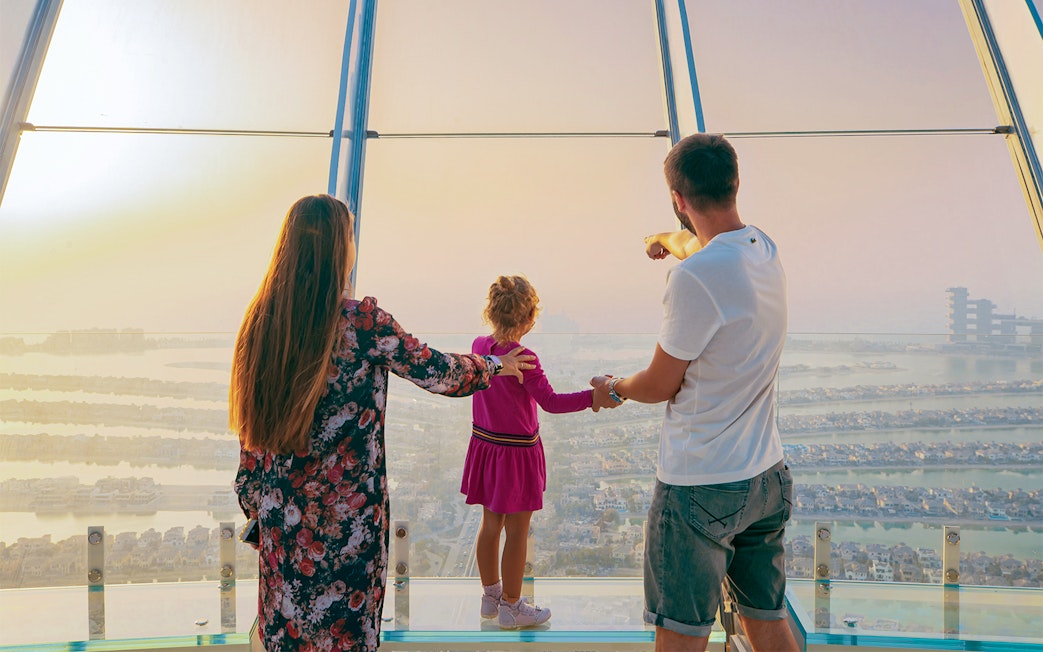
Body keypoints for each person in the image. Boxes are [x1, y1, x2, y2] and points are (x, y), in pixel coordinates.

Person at [231, 194, 534, 652]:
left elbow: (250, 440)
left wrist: (260, 513)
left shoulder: (261, 325)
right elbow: (437, 371)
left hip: (284, 527)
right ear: (339, 248)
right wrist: (492, 365)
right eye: (350, 236)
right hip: (350, 530)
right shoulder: (360, 323)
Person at [591, 134, 798, 652]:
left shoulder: (693, 279)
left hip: (701, 487)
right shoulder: (765, 250)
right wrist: (669, 237)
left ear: (678, 199)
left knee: (681, 635)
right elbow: (711, 245)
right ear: (735, 183)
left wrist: (612, 387)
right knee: (767, 621)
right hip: (765, 476)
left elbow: (660, 384)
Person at [461, 275, 610, 629]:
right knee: (518, 531)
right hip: (516, 455)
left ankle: (490, 597)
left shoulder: (480, 346)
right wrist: (593, 398)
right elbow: (552, 403)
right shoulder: (525, 358)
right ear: (529, 319)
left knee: (490, 525)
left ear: (491, 310)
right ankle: (512, 607)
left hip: (486, 447)